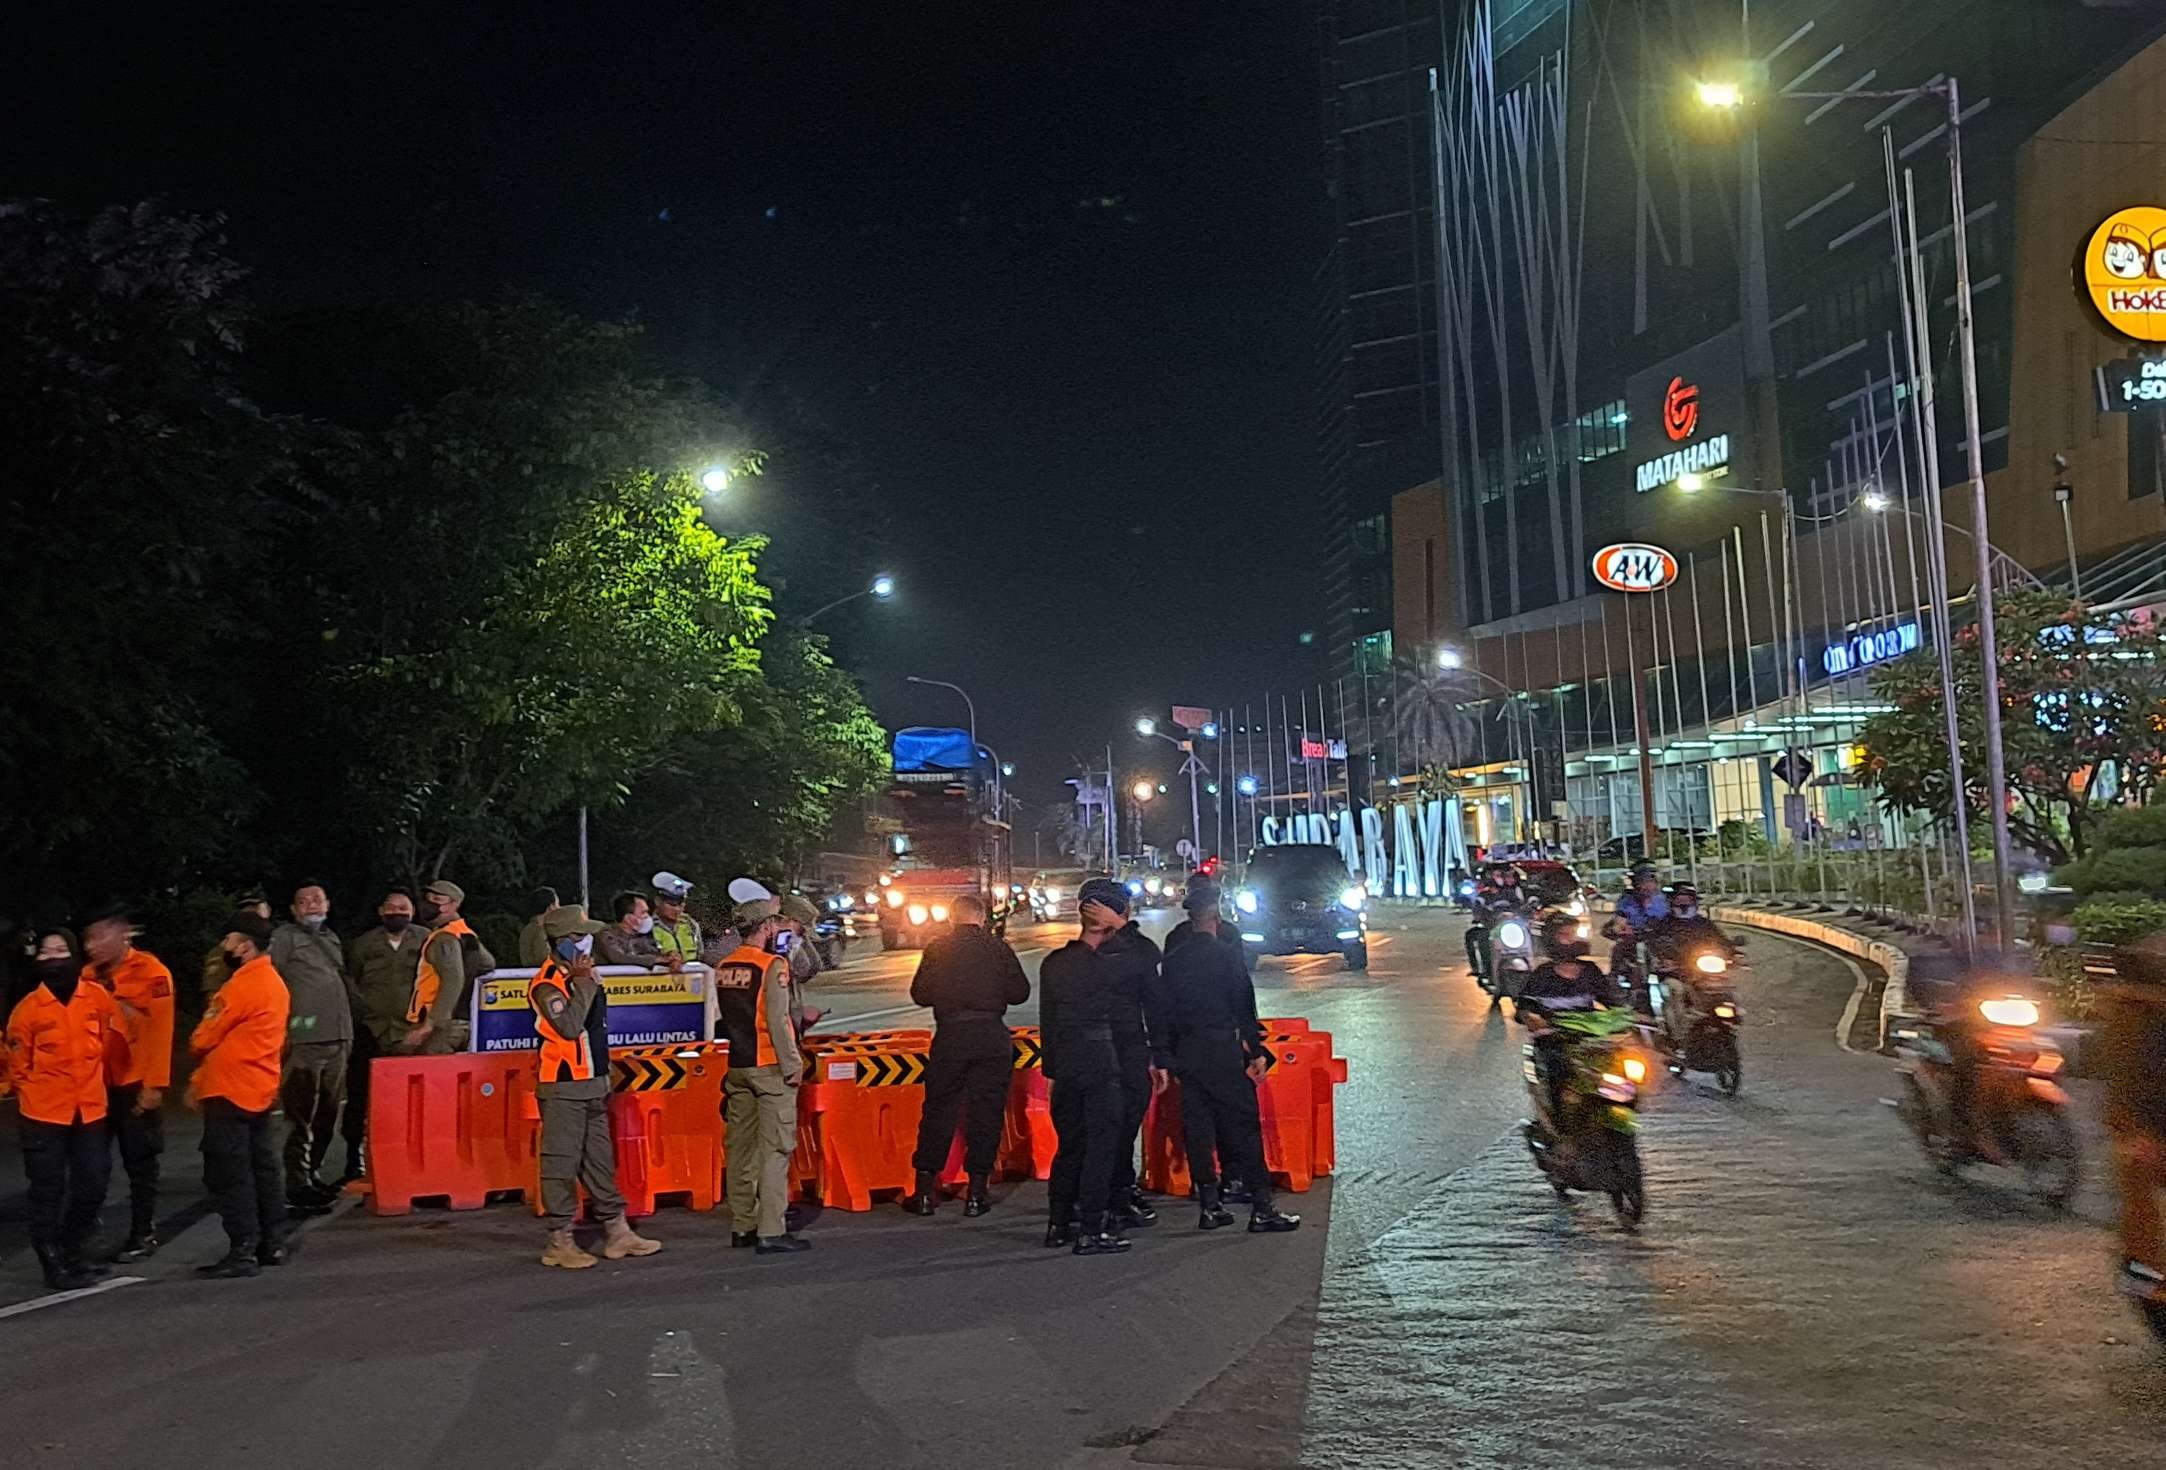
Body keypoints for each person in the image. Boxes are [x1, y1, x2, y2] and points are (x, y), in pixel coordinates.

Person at [1156, 882, 1299, 1233]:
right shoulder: (1227, 956)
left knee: (1199, 1129)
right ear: (1216, 915)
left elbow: (1163, 1014)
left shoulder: (1173, 961)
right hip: (1223, 1049)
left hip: (1189, 1052)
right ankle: (1262, 1208)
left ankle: (1209, 1205)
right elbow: (1244, 1008)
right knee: (1244, 1127)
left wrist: (1167, 1056)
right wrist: (1256, 1051)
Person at [528, 903, 662, 1269]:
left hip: (593, 1083)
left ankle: (617, 1232)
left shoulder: (581, 975)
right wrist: (583, 982)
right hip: (563, 1085)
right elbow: (569, 1027)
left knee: (600, 1161)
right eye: (578, 936)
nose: (586, 942)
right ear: (562, 941)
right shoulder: (547, 983)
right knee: (561, 1162)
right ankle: (559, 1239)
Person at [2, 928, 120, 1288]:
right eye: (45, 952)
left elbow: (110, 1044)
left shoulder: (97, 999)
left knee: (93, 1184)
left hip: (90, 1110)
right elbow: (17, 1068)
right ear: (36, 961)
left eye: (60, 950)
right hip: (44, 1115)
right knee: (47, 1190)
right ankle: (51, 1260)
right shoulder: (27, 1011)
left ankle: (72, 1249)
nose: (53, 958)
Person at [901, 893, 1030, 1218]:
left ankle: (925, 1192)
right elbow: (1020, 993)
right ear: (982, 918)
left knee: (938, 1112)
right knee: (986, 1114)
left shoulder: (937, 948)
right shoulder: (997, 948)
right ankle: (976, 1193)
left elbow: (920, 994)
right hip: (991, 1038)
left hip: (951, 1037)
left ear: (951, 919)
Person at [1037, 878, 1138, 1255]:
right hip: (1100, 1063)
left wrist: (1052, 1071)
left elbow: (1048, 1022)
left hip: (1066, 1067)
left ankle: (1058, 1224)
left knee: (1069, 1148)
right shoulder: (1110, 966)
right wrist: (1121, 925)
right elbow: (1146, 958)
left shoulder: (1055, 963)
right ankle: (1092, 1229)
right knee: (1101, 1148)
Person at [191, 911, 292, 1278]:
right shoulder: (275, 983)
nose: (224, 947)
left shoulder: (240, 986)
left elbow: (203, 1037)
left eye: (229, 941)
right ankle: (272, 1242)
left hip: (229, 1090)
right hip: (260, 1088)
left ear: (246, 946)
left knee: (230, 1173)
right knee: (263, 1169)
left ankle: (242, 1249)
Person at [714, 895, 810, 1254]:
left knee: (740, 1149)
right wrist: (793, 1065)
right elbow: (778, 1022)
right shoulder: (772, 966)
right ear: (767, 927)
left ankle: (743, 1224)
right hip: (770, 1066)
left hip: (738, 1066)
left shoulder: (725, 965)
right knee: (775, 1149)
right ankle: (772, 1228)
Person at [82, 907, 175, 1261]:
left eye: (99, 937)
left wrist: (154, 1086)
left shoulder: (152, 973)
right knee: (90, 1163)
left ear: (124, 935)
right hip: (97, 1085)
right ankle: (86, 1229)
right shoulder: (87, 976)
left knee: (140, 1163)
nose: (91, 946)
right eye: (88, 939)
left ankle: (142, 1232)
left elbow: (161, 1033)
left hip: (135, 1082)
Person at [268, 879, 353, 1212]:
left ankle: (312, 1171)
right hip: (303, 1040)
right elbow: (268, 979)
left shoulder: (331, 939)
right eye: (304, 901)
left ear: (328, 905)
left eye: (318, 899)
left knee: (328, 1112)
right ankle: (296, 1182)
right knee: (298, 1114)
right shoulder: (284, 939)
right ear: (293, 910)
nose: (312, 905)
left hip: (338, 1037)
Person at [1513, 909, 1628, 1127]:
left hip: (1589, 1040)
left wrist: (1630, 1017)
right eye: (1565, 935)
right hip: (1555, 1043)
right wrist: (1533, 1018)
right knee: (1558, 1073)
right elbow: (1523, 1008)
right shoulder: (1542, 975)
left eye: (1574, 934)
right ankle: (1560, 1128)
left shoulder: (1590, 971)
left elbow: (1613, 1000)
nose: (1572, 940)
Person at [341, 886, 425, 1181]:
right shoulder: (363, 944)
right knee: (359, 1095)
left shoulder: (427, 941)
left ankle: (408, 1159)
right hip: (371, 1030)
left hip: (412, 1033)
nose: (397, 912)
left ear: (413, 911)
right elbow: (352, 980)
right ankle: (354, 1156)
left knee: (412, 1101)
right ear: (380, 912)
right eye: (391, 907)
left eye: (403, 907)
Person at [2099, 939, 2166, 1303]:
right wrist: (2138, 1132)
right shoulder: (2134, 1017)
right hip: (2146, 1123)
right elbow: (2125, 1086)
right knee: (2138, 1164)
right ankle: (2144, 1268)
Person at [1097, 884, 1167, 1228]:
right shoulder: (1132, 954)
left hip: (1090, 1053)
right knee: (1122, 1127)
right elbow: (1154, 1001)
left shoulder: (1074, 955)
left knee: (1101, 1128)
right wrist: (1160, 1056)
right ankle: (1117, 1195)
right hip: (1125, 1051)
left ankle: (1102, 1195)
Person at [411, 879, 489, 1054]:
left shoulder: (444, 938)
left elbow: (453, 980)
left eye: (437, 899)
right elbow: (487, 964)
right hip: (465, 1020)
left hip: (444, 1025)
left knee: (430, 1072)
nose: (429, 903)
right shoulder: (465, 934)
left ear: (454, 905)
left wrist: (430, 1024)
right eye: (428, 898)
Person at [1604, 862, 1670, 1008]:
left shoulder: (1664, 900)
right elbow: (1620, 920)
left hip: (1659, 943)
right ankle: (1619, 987)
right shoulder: (1626, 901)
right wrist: (1621, 928)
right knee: (1619, 949)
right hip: (1633, 943)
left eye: (1651, 881)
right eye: (1643, 881)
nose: (1647, 886)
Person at [201, 890, 272, 1000]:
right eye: (245, 908)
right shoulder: (225, 949)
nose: (250, 911)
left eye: (255, 906)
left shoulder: (276, 941)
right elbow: (213, 994)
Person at [1466, 861, 1527, 977]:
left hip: (1512, 927)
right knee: (1477, 937)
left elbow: (1520, 907)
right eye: (1497, 876)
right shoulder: (1483, 896)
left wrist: (1520, 913)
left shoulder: (1509, 893)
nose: (1500, 879)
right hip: (1493, 927)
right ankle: (1484, 970)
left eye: (1501, 876)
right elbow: (1478, 911)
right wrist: (1482, 917)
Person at [597, 891, 682, 971]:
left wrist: (671, 959)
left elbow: (655, 954)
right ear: (628, 918)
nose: (648, 917)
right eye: (643, 913)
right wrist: (657, 959)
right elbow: (619, 957)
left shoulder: (645, 937)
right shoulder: (606, 935)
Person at [651, 872, 704, 967]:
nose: (677, 909)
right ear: (658, 901)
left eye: (680, 904)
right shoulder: (648, 926)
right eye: (671, 904)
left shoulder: (690, 924)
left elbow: (701, 954)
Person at [517, 886, 559, 969]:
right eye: (558, 904)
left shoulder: (530, 928)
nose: (559, 908)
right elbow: (543, 958)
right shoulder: (537, 930)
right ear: (551, 906)